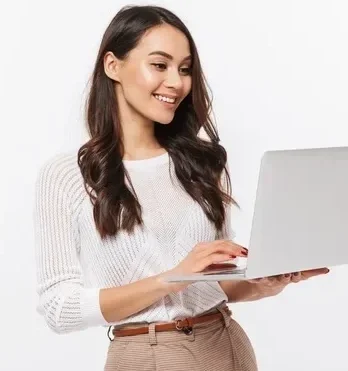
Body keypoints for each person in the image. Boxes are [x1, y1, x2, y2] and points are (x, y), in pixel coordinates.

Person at [33, 5, 329, 371]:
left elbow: (214, 286)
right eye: (160, 65)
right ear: (113, 65)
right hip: (147, 352)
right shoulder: (68, 176)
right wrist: (171, 279)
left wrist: (266, 282)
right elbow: (58, 308)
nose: (177, 82)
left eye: (185, 69)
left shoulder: (200, 164)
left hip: (226, 343)